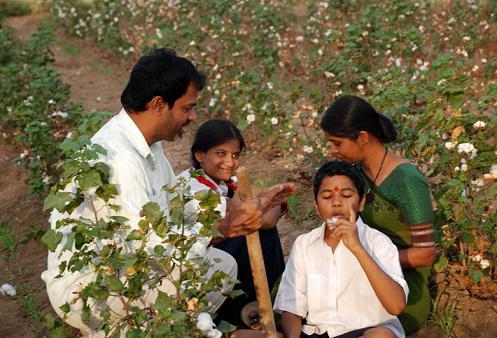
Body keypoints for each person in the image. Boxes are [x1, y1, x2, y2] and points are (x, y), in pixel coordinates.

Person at [41, 48, 295, 335]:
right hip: (93, 289)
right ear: (159, 104)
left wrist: (248, 206)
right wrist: (224, 227)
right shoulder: (120, 159)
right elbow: (149, 249)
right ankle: (127, 328)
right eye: (187, 108)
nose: (192, 117)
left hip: (130, 266)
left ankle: (178, 328)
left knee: (220, 265)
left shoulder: (148, 146)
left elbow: (180, 205)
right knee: (197, 272)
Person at [320, 95, 436, 334]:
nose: (332, 151)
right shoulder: (355, 174)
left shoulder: (407, 182)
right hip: (358, 265)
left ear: (363, 137)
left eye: (337, 143)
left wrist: (365, 259)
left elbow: (425, 255)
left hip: (399, 285)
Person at [274, 160, 408, 338]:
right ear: (316, 205)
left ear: (361, 203)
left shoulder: (378, 242)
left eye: (346, 195)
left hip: (364, 331)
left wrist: (357, 248)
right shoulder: (304, 245)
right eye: (327, 197)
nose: (336, 203)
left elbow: (396, 306)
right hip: (317, 333)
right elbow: (291, 308)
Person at [178, 119, 287, 326]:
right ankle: (247, 311)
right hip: (196, 267)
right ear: (200, 154)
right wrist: (272, 203)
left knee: (259, 233)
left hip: (218, 257)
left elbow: (261, 213)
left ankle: (265, 304)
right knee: (255, 231)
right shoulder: (193, 188)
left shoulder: (223, 182)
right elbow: (258, 218)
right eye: (221, 153)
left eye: (235, 155)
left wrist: (268, 204)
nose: (230, 162)